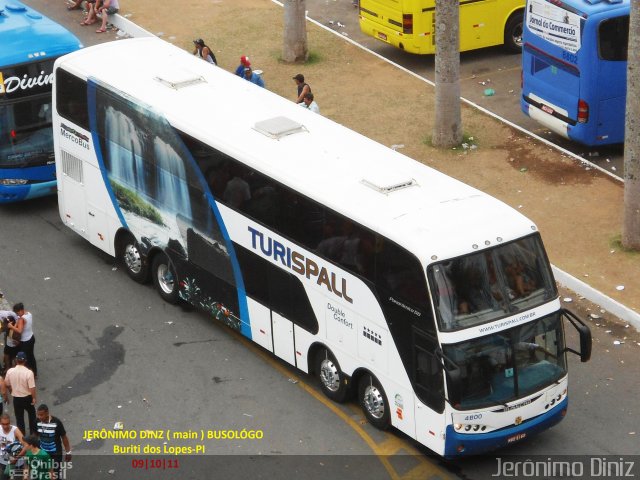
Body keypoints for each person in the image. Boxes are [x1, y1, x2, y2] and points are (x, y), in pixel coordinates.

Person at [4, 352, 37, 435]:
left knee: (19, 418)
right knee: (32, 415)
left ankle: (22, 436)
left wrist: (11, 390)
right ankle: (33, 434)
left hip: (17, 399)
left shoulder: (10, 371)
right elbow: (31, 387)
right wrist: (34, 398)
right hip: (27, 397)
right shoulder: (29, 372)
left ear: (16, 360)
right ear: (25, 361)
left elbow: (7, 384)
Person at [36, 404, 71, 479]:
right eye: (38, 415)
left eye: (41, 415)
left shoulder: (56, 422)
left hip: (56, 453)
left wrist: (68, 452)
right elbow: (35, 435)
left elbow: (64, 437)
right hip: (43, 453)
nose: (39, 417)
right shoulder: (37, 422)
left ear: (47, 413)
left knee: (55, 474)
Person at [11, 303, 36, 378]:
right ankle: (34, 373)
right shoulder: (28, 314)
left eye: (17, 312)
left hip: (25, 341)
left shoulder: (21, 319)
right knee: (31, 356)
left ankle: (26, 376)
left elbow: (19, 331)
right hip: (31, 338)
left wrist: (11, 326)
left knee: (24, 359)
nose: (17, 314)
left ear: (21, 310)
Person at [0, 413, 25, 480]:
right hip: (3, 461)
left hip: (16, 462)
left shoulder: (15, 430)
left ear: (10, 422)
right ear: (0, 423)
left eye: (7, 424)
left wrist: (16, 458)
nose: (5, 426)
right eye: (3, 424)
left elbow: (26, 446)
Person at [0, 310, 22, 375]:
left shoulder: (14, 330)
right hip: (8, 345)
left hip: (13, 347)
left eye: (5, 324)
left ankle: (17, 371)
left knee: (14, 357)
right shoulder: (7, 328)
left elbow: (19, 338)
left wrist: (18, 342)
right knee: (6, 355)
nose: (3, 325)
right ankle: (7, 368)